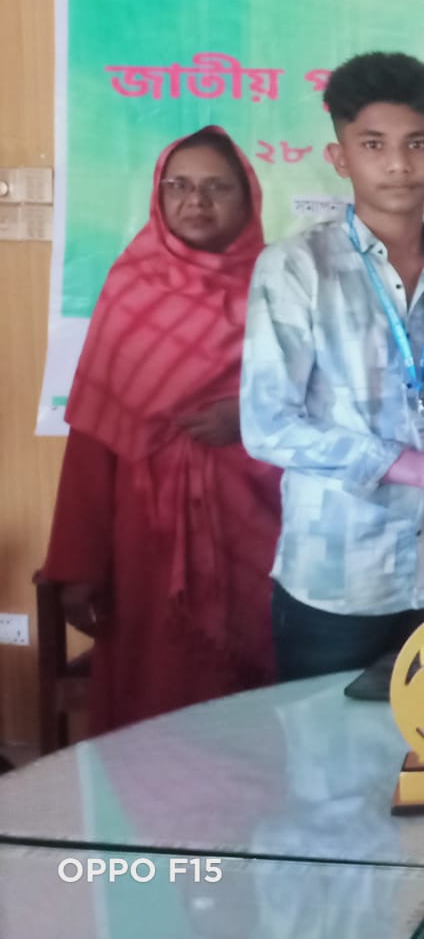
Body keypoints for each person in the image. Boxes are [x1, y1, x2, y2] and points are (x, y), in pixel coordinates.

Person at [241, 52, 424, 682]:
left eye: (416, 143)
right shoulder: (296, 268)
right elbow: (268, 425)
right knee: (325, 741)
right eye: (374, 144)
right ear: (340, 158)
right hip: (339, 576)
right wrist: (412, 465)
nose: (398, 164)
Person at [41, 126, 281, 733]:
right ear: (158, 195)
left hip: (265, 530)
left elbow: (330, 400)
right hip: (147, 539)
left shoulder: (283, 288)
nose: (195, 201)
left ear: (249, 197)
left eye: (216, 187)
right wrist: (79, 566)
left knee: (259, 707)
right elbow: (95, 437)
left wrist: (248, 415)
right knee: (155, 705)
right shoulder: (131, 290)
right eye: (179, 185)